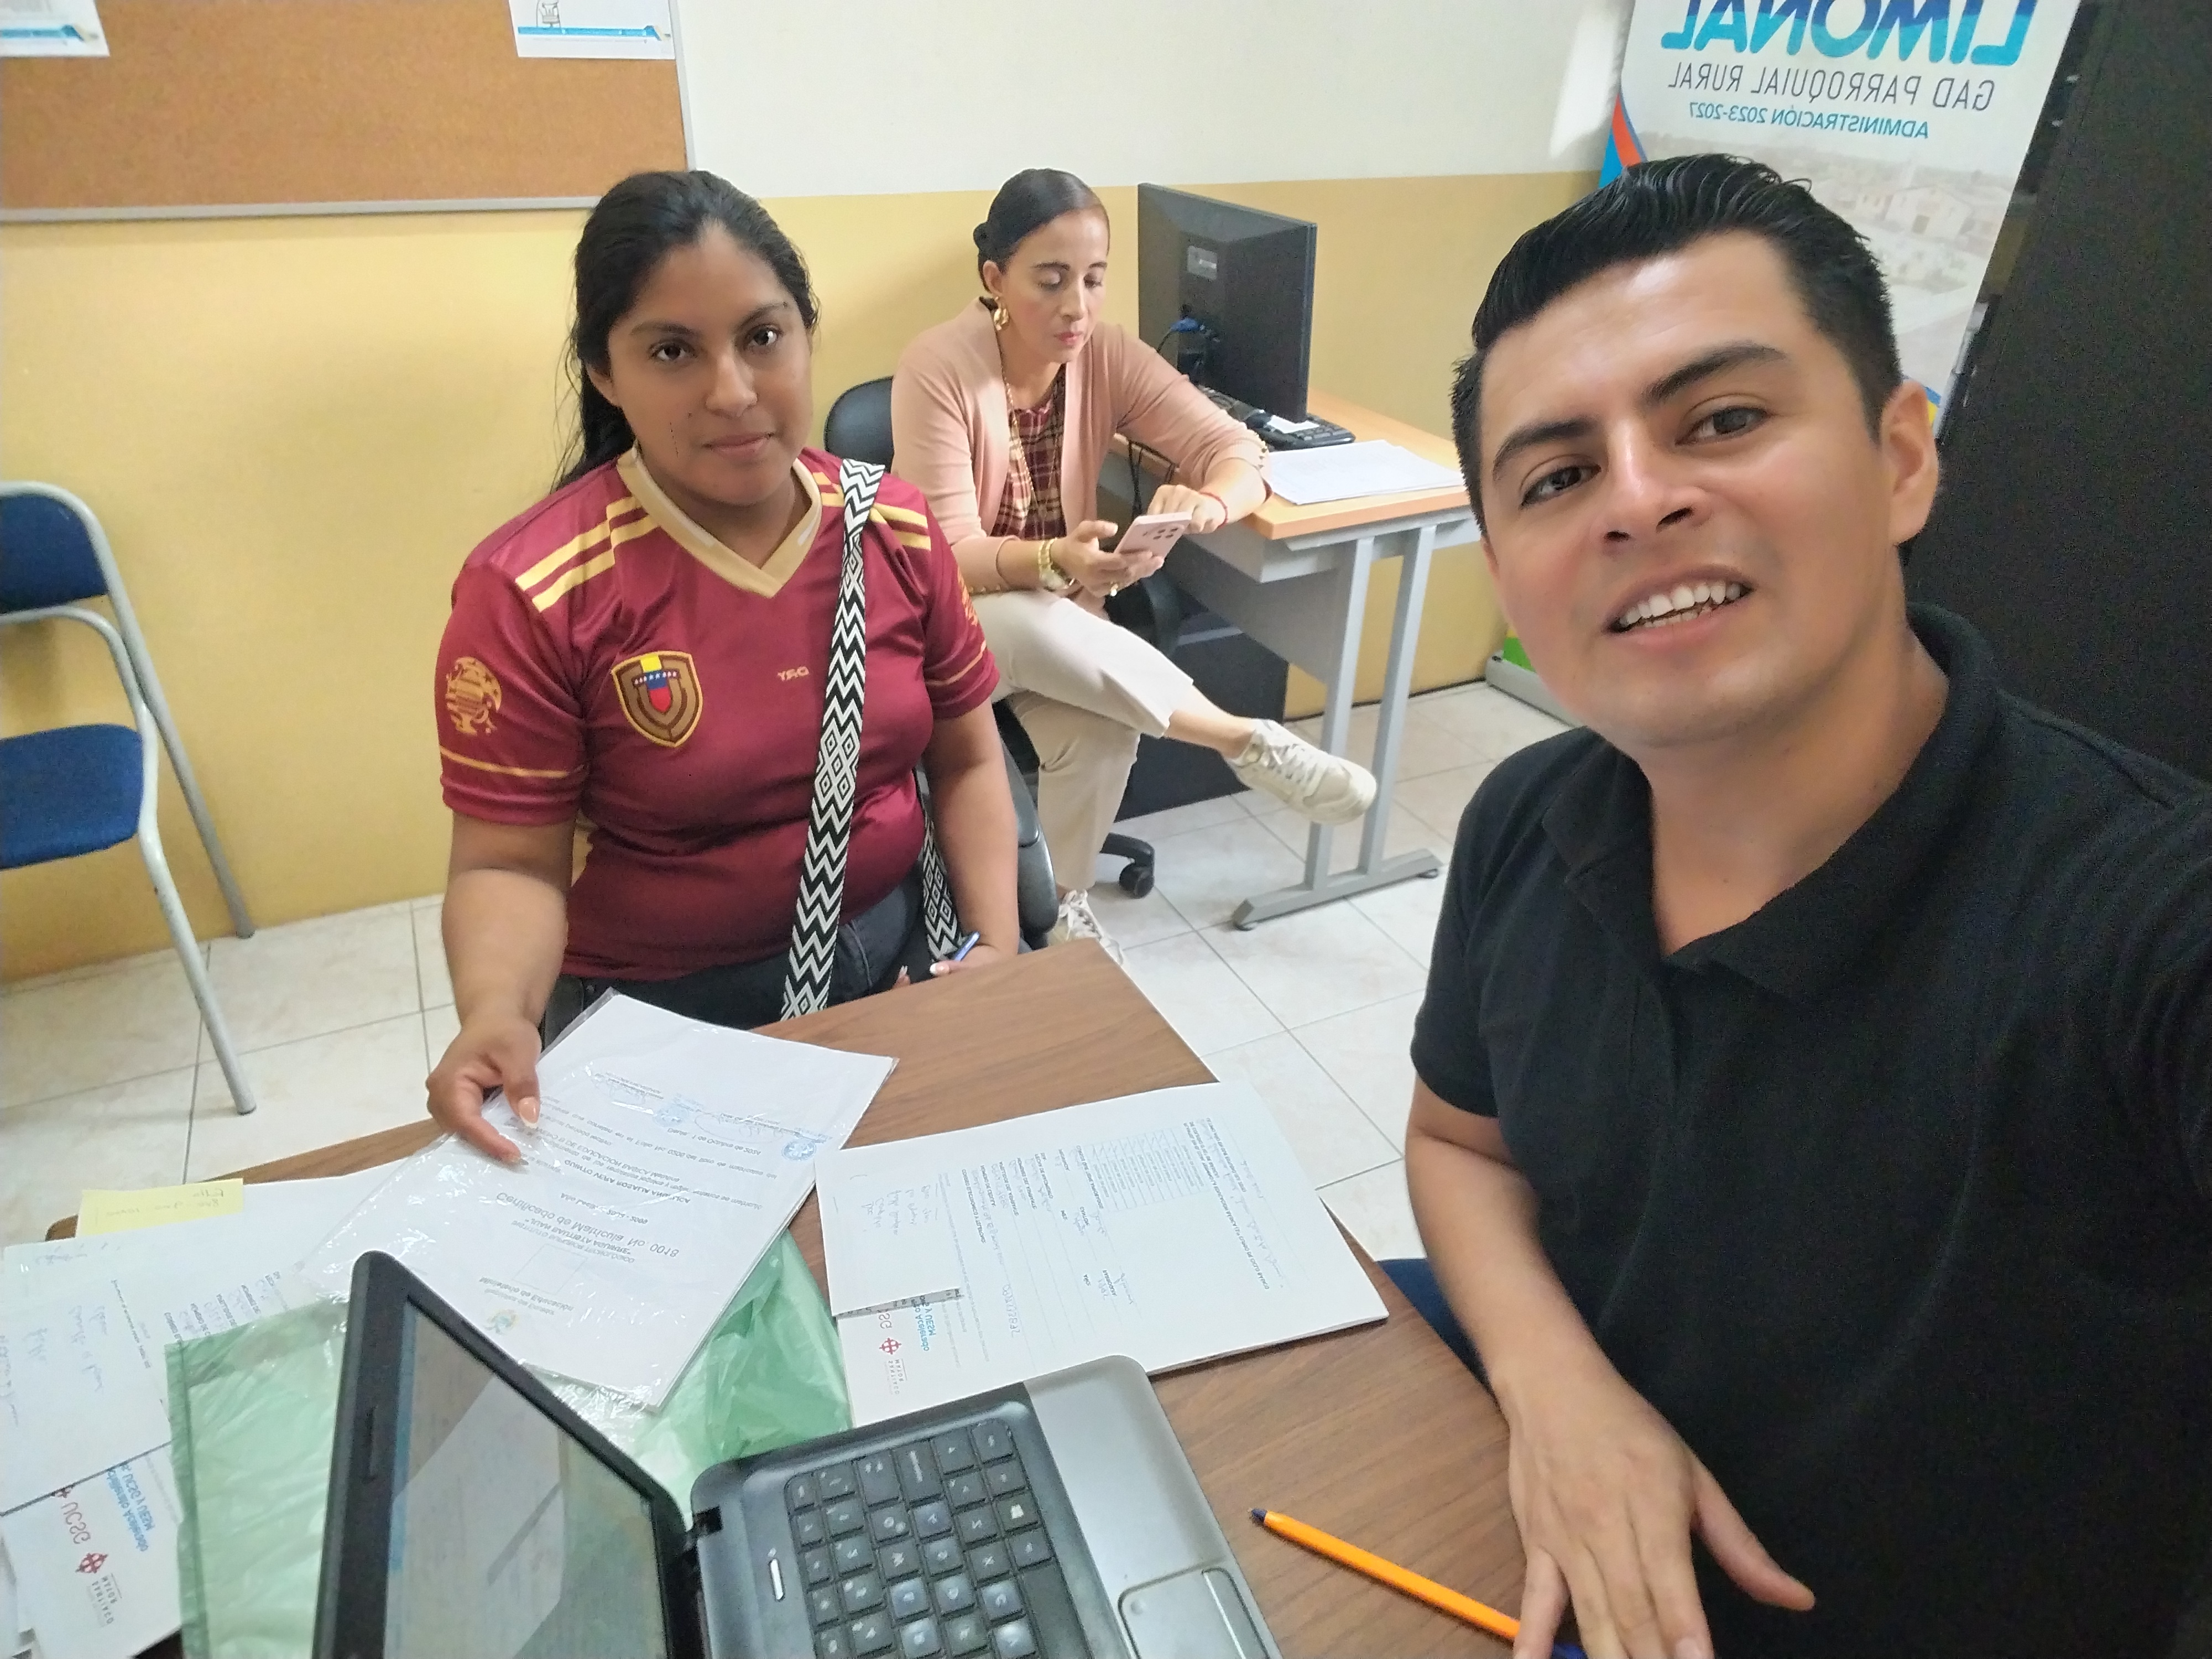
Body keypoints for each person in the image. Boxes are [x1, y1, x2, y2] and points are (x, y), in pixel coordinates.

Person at [1397, 154, 2211, 1659]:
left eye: (1721, 419)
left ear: (1900, 459)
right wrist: (1559, 1390)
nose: (1639, 499)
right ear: (1508, 581)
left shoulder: (2146, 924)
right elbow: (1458, 1143)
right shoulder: (1525, 821)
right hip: (1530, 1568)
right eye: (1558, 478)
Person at [426, 170, 1018, 1164]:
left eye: (763, 337)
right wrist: (496, 1012)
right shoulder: (532, 591)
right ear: (604, 373)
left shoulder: (896, 527)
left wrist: (994, 949)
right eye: (672, 351)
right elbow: (506, 864)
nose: (734, 392)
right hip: (667, 1018)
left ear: (807, 334)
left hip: (902, 964)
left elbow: (967, 760)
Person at [891, 168, 1376, 959]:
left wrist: (1208, 503)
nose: (1076, 306)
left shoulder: (1105, 354)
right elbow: (947, 555)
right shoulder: (937, 367)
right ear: (996, 280)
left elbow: (1234, 446)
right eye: (1051, 280)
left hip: (1059, 631)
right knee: (1025, 614)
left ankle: (1062, 907)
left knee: (1103, 731)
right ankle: (1245, 740)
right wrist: (1053, 559)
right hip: (949, 633)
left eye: (1093, 279)